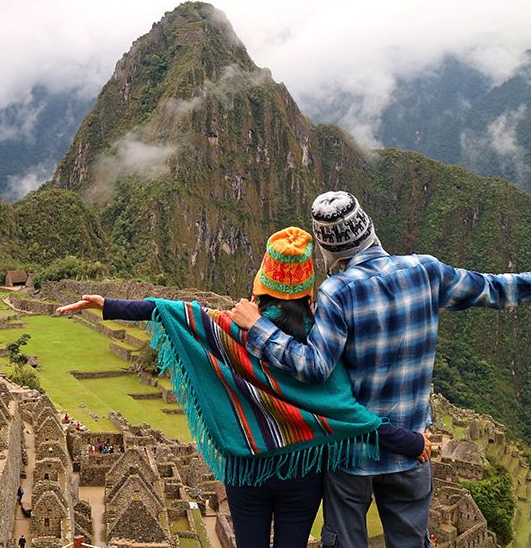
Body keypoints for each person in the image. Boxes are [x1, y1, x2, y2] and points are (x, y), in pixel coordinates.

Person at [229, 191, 531, 548]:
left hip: (352, 457)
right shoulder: (426, 271)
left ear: (328, 251)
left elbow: (313, 367)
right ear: (371, 230)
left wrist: (258, 328)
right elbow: (494, 289)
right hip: (412, 449)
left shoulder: (338, 292)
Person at [57, 227, 429, 548]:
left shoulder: (228, 330)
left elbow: (175, 311)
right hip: (301, 472)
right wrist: (410, 442)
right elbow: (347, 413)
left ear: (261, 285)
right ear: (308, 293)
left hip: (245, 469)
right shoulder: (320, 341)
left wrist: (108, 304)